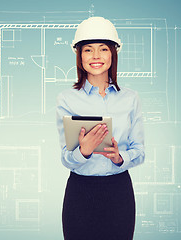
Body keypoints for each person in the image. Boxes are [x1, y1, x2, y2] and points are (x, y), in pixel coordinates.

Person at [56, 17, 145, 240]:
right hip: (80, 193)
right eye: (88, 50)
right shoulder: (66, 99)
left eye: (103, 49)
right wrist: (83, 150)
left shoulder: (131, 99)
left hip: (119, 192)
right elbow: (66, 158)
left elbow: (140, 151)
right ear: (79, 56)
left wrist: (119, 157)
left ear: (113, 54)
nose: (96, 56)